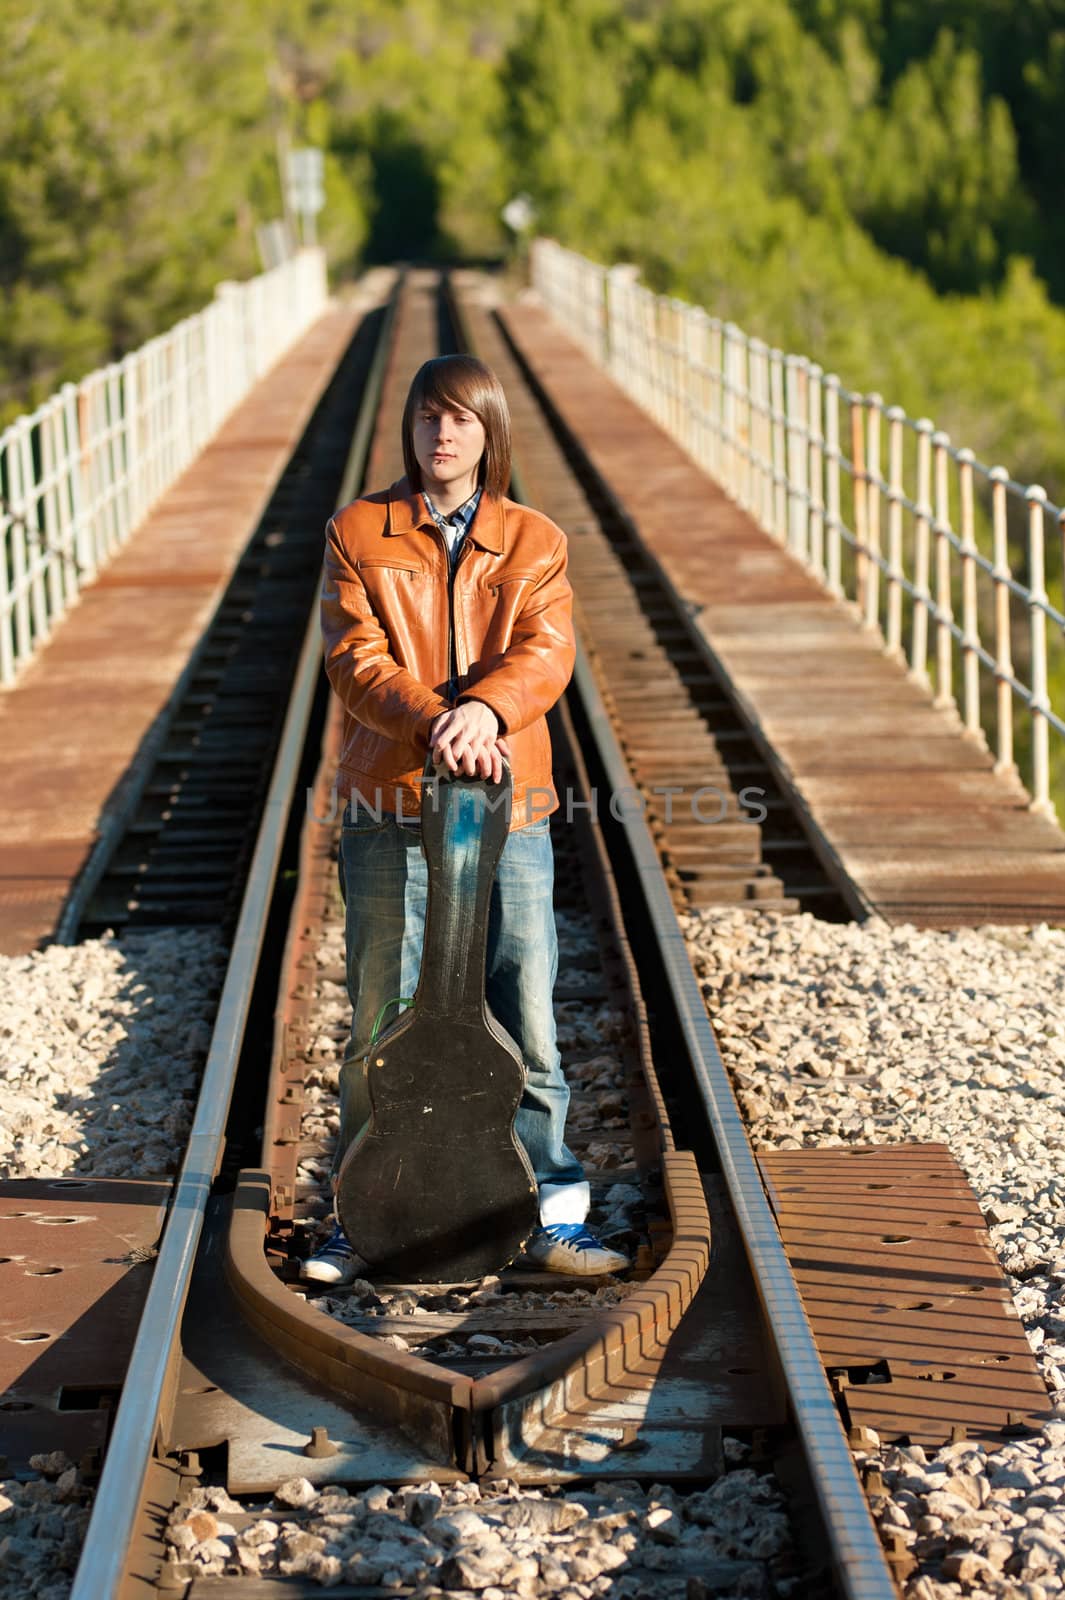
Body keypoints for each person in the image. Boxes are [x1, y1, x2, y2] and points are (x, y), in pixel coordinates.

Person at [303, 354, 628, 1286]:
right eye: (426, 419)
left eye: (460, 421)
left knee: (524, 1011)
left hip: (509, 807)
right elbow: (352, 657)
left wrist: (484, 711)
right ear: (407, 430)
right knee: (379, 1016)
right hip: (390, 803)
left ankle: (551, 1216)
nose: (441, 436)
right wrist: (431, 718)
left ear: (489, 434)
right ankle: (358, 1217)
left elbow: (547, 650)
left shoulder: (534, 541)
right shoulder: (357, 531)